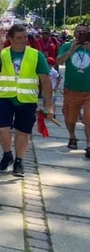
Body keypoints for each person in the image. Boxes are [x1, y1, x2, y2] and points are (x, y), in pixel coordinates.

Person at [0, 24, 53, 177]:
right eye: (19, 38)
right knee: (2, 129)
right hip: (5, 97)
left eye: (25, 37)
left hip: (27, 99)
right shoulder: (3, 53)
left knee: (22, 133)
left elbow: (46, 81)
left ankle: (19, 161)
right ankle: (7, 154)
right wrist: (0, 44)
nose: (23, 41)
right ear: (10, 38)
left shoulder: (36, 55)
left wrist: (49, 106)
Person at [56, 23, 90, 154]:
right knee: (70, 118)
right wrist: (71, 50)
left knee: (89, 118)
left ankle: (89, 145)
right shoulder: (66, 46)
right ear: (74, 33)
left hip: (88, 90)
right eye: (78, 31)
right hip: (72, 89)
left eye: (84, 32)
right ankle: (72, 137)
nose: (81, 34)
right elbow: (58, 62)